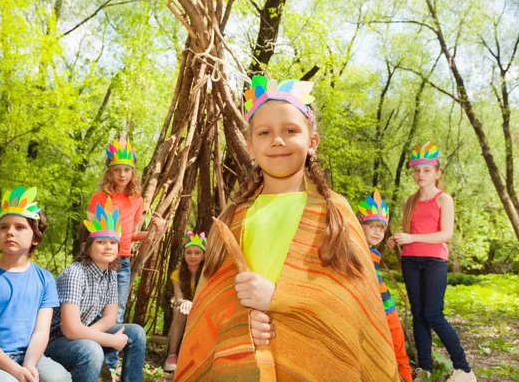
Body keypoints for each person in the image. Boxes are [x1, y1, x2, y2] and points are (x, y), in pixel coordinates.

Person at [174, 76, 399, 381]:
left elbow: (353, 305)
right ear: (251, 146)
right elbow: (213, 303)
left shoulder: (335, 214)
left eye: (291, 130)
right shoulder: (233, 218)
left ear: (312, 142)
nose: (277, 140)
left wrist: (280, 297)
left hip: (316, 361)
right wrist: (240, 324)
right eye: (265, 132)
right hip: (245, 363)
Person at [0, 186, 71, 382]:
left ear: (35, 237)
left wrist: (30, 364)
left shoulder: (45, 279)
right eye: (4, 227)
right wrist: (16, 372)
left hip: (29, 356)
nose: (10, 232)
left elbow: (41, 331)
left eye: (20, 227)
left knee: (59, 378)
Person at [388, 142, 476, 382]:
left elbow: (446, 234)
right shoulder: (409, 202)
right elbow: (409, 233)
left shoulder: (443, 199)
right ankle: (424, 369)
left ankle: (464, 369)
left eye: (426, 170)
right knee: (418, 315)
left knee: (433, 314)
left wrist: (411, 237)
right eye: (417, 170)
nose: (420, 175)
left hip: (434, 261)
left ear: (437, 173)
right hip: (410, 260)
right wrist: (398, 239)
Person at [45, 197, 146, 382]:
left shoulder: (110, 274)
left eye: (113, 242)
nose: (108, 246)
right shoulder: (75, 274)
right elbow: (70, 329)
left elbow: (110, 317)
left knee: (136, 333)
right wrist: (107, 340)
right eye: (101, 242)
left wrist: (93, 334)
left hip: (82, 333)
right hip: (55, 342)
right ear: (85, 247)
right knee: (91, 349)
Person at [88, 135, 163, 373]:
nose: (122, 175)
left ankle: (108, 366)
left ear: (133, 173)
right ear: (109, 172)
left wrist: (153, 230)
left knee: (116, 311)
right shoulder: (100, 198)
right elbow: (91, 233)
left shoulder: (136, 200)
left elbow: (129, 236)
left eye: (126, 170)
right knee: (94, 309)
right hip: (99, 261)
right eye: (117, 170)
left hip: (122, 262)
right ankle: (93, 358)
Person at [358, 190, 412, 382]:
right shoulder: (357, 252)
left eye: (381, 228)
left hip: (387, 309)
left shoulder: (373, 253)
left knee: (399, 348)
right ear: (359, 226)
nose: (377, 232)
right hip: (374, 312)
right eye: (372, 226)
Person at [163, 231, 206, 372]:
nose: (192, 256)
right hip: (185, 307)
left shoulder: (208, 273)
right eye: (189, 252)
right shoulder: (177, 274)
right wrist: (186, 303)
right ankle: (172, 355)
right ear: (184, 255)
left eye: (197, 252)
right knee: (180, 310)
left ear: (203, 255)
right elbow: (178, 299)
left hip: (204, 307)